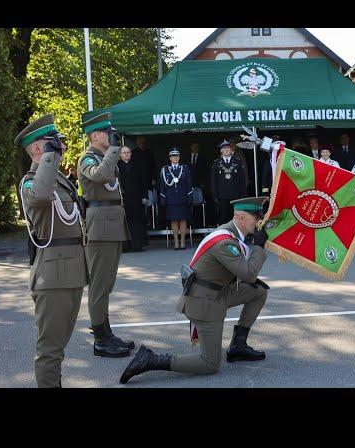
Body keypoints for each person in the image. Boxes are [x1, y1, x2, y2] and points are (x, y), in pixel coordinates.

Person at [119, 197, 271, 384]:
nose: (259, 221)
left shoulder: (230, 232)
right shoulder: (225, 242)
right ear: (240, 218)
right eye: (256, 217)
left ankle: (238, 346)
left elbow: (241, 273)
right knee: (209, 363)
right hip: (204, 303)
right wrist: (259, 247)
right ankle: (151, 360)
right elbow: (247, 274)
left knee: (258, 292)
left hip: (216, 292)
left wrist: (253, 279)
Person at [15, 114, 88, 388]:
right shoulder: (31, 182)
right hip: (53, 275)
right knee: (50, 350)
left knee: (60, 346)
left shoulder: (58, 179)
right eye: (51, 142)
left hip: (71, 271)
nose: (59, 146)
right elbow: (42, 197)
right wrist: (48, 159)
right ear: (36, 148)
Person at [78, 112, 133, 358]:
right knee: (99, 286)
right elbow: (101, 176)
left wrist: (110, 151)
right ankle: (100, 339)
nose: (112, 138)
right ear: (94, 136)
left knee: (107, 284)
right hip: (100, 228)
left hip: (111, 225)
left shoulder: (103, 157)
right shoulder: (87, 159)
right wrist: (113, 149)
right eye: (107, 133)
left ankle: (107, 332)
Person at [159, 148, 193, 250]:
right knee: (173, 221)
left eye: (177, 156)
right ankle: (176, 242)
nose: (175, 158)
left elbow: (189, 184)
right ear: (170, 158)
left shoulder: (185, 168)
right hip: (171, 199)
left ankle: (182, 241)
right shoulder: (165, 169)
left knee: (183, 220)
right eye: (173, 156)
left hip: (182, 198)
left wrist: (190, 196)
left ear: (179, 157)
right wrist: (162, 198)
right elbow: (162, 185)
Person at [210, 140, 248, 225]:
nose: (227, 150)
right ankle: (225, 237)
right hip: (222, 196)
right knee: (224, 218)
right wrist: (215, 196)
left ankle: (236, 237)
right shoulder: (216, 164)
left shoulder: (238, 162)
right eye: (224, 148)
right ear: (221, 150)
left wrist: (243, 195)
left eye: (228, 148)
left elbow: (242, 180)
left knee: (236, 218)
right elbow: (213, 181)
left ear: (231, 150)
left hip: (236, 196)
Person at [118, 146, 147, 252]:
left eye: (128, 152)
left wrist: (145, 196)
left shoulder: (138, 165)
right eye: (124, 153)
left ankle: (138, 245)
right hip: (123, 198)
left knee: (137, 222)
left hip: (137, 198)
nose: (126, 154)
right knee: (124, 222)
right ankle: (125, 246)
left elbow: (144, 181)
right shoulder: (116, 167)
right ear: (120, 155)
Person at [131, 136, 155, 244]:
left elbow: (153, 166)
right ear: (137, 143)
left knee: (150, 206)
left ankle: (151, 223)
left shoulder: (149, 153)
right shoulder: (133, 153)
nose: (142, 144)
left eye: (144, 142)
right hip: (137, 187)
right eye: (140, 142)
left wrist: (154, 179)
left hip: (148, 185)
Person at [186, 142, 208, 228]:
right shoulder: (186, 157)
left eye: (197, 146)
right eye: (193, 146)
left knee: (199, 206)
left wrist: (203, 183)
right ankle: (190, 225)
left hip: (199, 186)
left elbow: (205, 171)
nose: (195, 148)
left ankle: (199, 226)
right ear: (190, 147)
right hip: (188, 186)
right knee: (188, 205)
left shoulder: (203, 158)